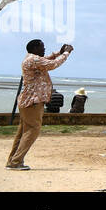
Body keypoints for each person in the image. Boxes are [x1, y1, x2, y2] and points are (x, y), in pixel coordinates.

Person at [6, 39, 74, 171]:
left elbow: (48, 59)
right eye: (42, 47)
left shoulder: (32, 59)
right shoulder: (34, 60)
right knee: (33, 130)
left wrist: (58, 52)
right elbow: (53, 64)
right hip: (33, 102)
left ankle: (13, 161)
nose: (44, 50)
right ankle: (16, 162)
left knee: (23, 133)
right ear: (35, 48)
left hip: (28, 101)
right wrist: (65, 53)